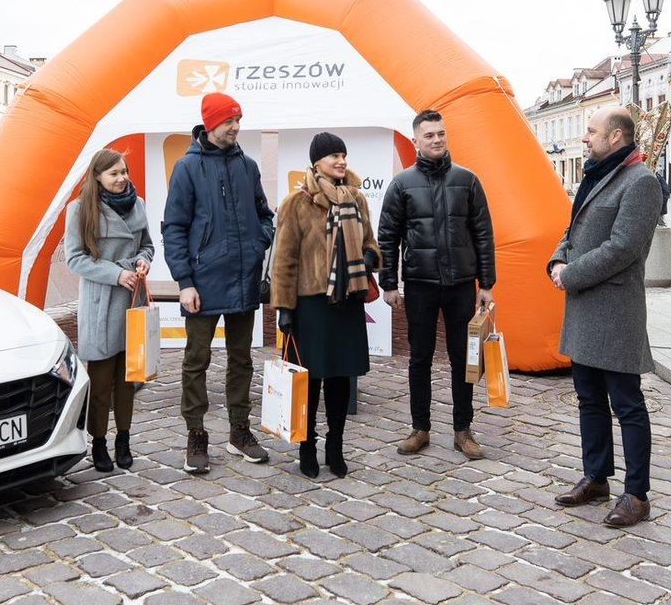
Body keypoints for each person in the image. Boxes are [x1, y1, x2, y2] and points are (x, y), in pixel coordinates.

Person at [549, 106, 662, 528]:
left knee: (627, 404)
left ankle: (638, 494)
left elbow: (623, 248)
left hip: (614, 312)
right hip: (583, 308)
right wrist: (558, 260)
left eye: (591, 131)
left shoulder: (641, 181)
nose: (585, 138)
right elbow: (574, 230)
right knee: (589, 400)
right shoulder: (599, 174)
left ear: (616, 137)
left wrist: (570, 274)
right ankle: (596, 477)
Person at [162, 92, 275, 474]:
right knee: (197, 361)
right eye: (229, 121)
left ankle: (239, 432)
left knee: (242, 361)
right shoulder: (187, 168)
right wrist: (185, 282)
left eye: (238, 120)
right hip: (203, 284)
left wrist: (261, 239)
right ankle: (196, 434)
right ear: (210, 124)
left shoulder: (249, 167)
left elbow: (264, 214)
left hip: (244, 279)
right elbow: (174, 228)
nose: (236, 127)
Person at [378, 109, 496, 460]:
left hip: (461, 284)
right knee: (420, 358)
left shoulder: (468, 180)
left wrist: (486, 283)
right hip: (420, 285)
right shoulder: (402, 184)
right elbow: (387, 238)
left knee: (463, 358)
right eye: (429, 135)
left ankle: (463, 429)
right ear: (416, 141)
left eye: (441, 133)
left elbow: (483, 235)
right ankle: (420, 428)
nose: (437, 139)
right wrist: (389, 283)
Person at [272, 133, 380, 478]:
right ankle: (307, 446)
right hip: (311, 304)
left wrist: (366, 257)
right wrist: (284, 309)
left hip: (347, 300)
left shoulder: (357, 199)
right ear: (317, 162)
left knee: (340, 378)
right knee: (311, 379)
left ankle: (335, 445)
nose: (341, 161)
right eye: (334, 155)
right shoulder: (297, 202)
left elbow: (371, 243)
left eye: (343, 154)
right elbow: (284, 260)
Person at [65, 149, 154, 473]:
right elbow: (76, 259)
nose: (122, 178)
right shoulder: (80, 210)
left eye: (124, 171)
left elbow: (147, 244)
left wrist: (144, 260)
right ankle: (99, 440)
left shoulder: (138, 204)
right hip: (102, 302)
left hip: (132, 301)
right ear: (98, 176)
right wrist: (116, 274)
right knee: (101, 380)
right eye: (114, 173)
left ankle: (124, 439)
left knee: (128, 379)